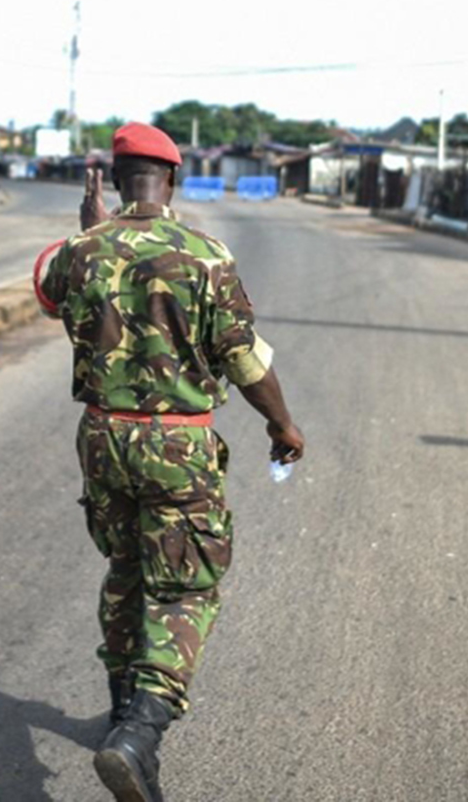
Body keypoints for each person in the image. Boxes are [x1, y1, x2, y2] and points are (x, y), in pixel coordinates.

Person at [35, 122, 304, 802]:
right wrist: (282, 424)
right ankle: (141, 730)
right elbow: (244, 359)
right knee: (185, 587)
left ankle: (125, 717)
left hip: (102, 439)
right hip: (176, 446)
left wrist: (90, 231)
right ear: (174, 180)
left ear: (117, 180)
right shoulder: (206, 255)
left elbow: (48, 293)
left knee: (125, 569)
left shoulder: (83, 250)